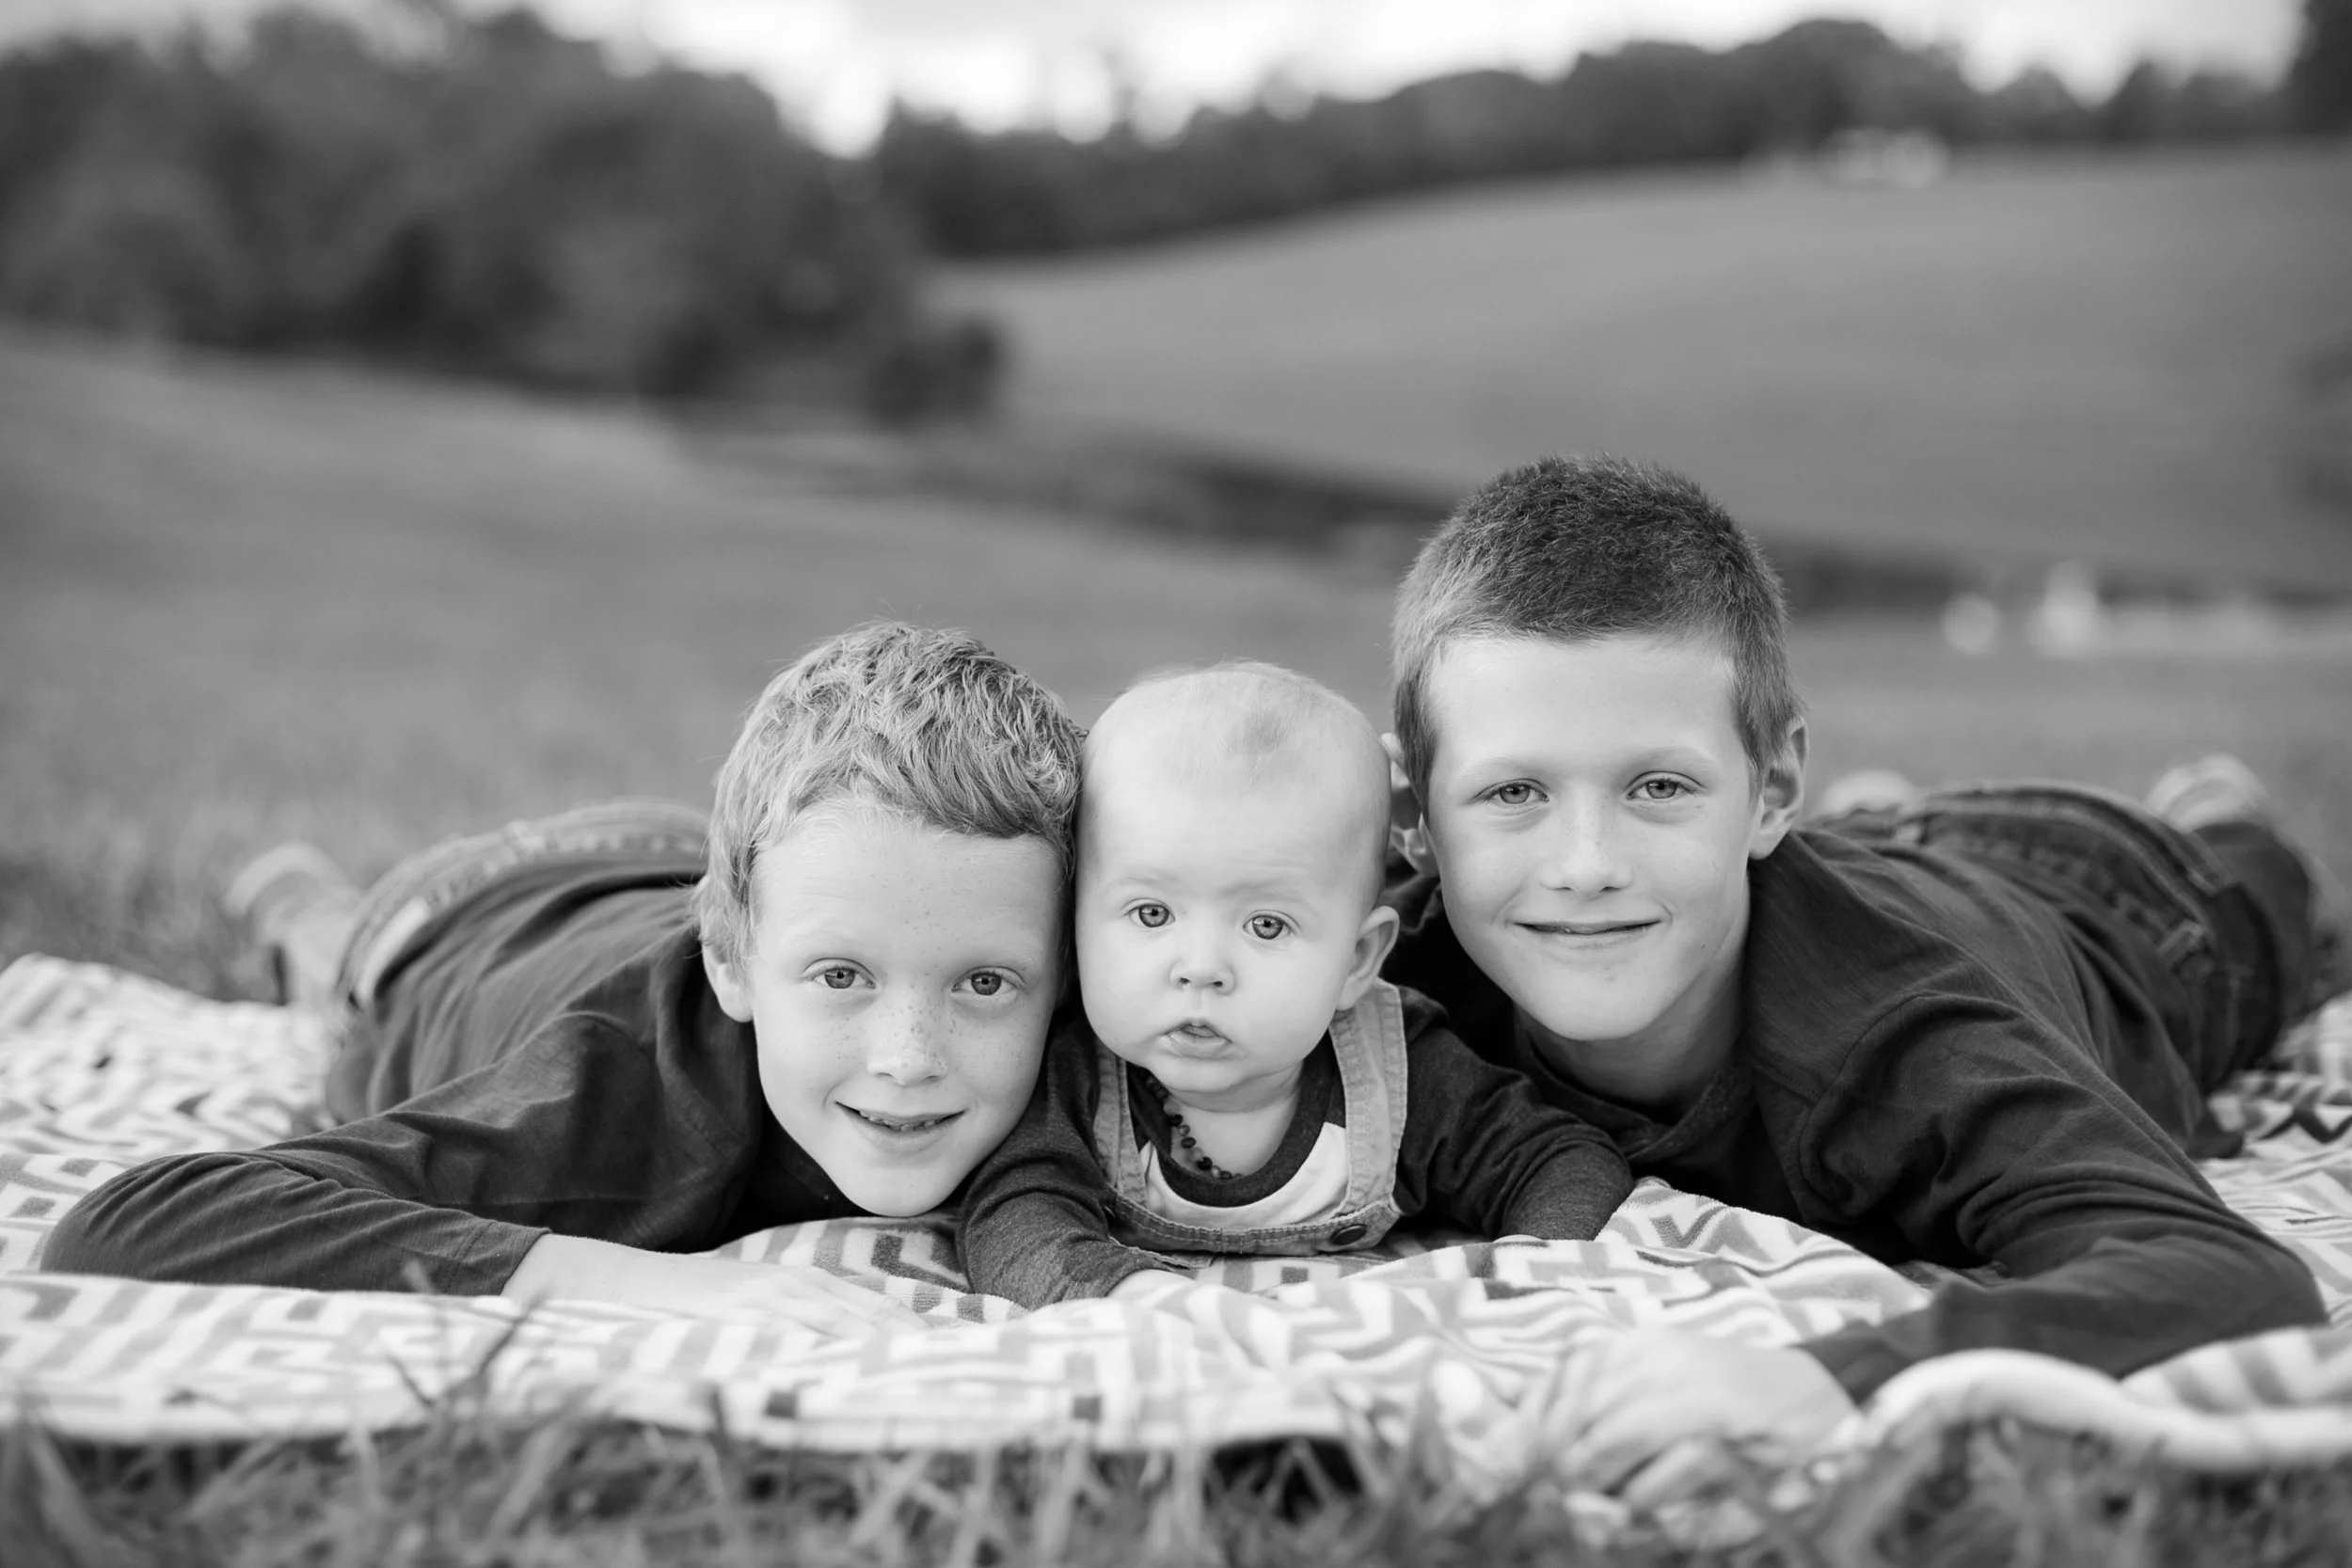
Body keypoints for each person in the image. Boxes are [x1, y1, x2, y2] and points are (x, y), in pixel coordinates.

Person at [1376, 453, 2339, 1496]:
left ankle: (2217, 811)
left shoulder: (1914, 1037)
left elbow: (2231, 1277)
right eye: (1513, 792)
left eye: (1657, 785)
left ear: (1772, 786)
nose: (1585, 865)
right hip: (1850, 861)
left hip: (2121, 898)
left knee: (2265, 897)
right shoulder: (1380, 963)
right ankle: (1863, 812)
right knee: (1849, 858)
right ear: (1414, 817)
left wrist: (1831, 1380)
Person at [43, 622, 1084, 1337]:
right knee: (335, 962)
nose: (908, 1057)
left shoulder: (1036, 998)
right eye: (842, 976)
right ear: (731, 964)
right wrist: (638, 1281)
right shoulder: (597, 1094)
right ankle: (294, 898)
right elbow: (128, 1221)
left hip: (680, 851)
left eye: (984, 984)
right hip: (452, 912)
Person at [959, 662, 1632, 1308]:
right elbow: (1013, 1213)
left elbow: (1559, 1162)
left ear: (1357, 961)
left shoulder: (1401, 1074)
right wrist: (1131, 1297)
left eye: (1267, 925)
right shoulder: (1075, 1075)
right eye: (1152, 914)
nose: (1201, 967)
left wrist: (1522, 1284)